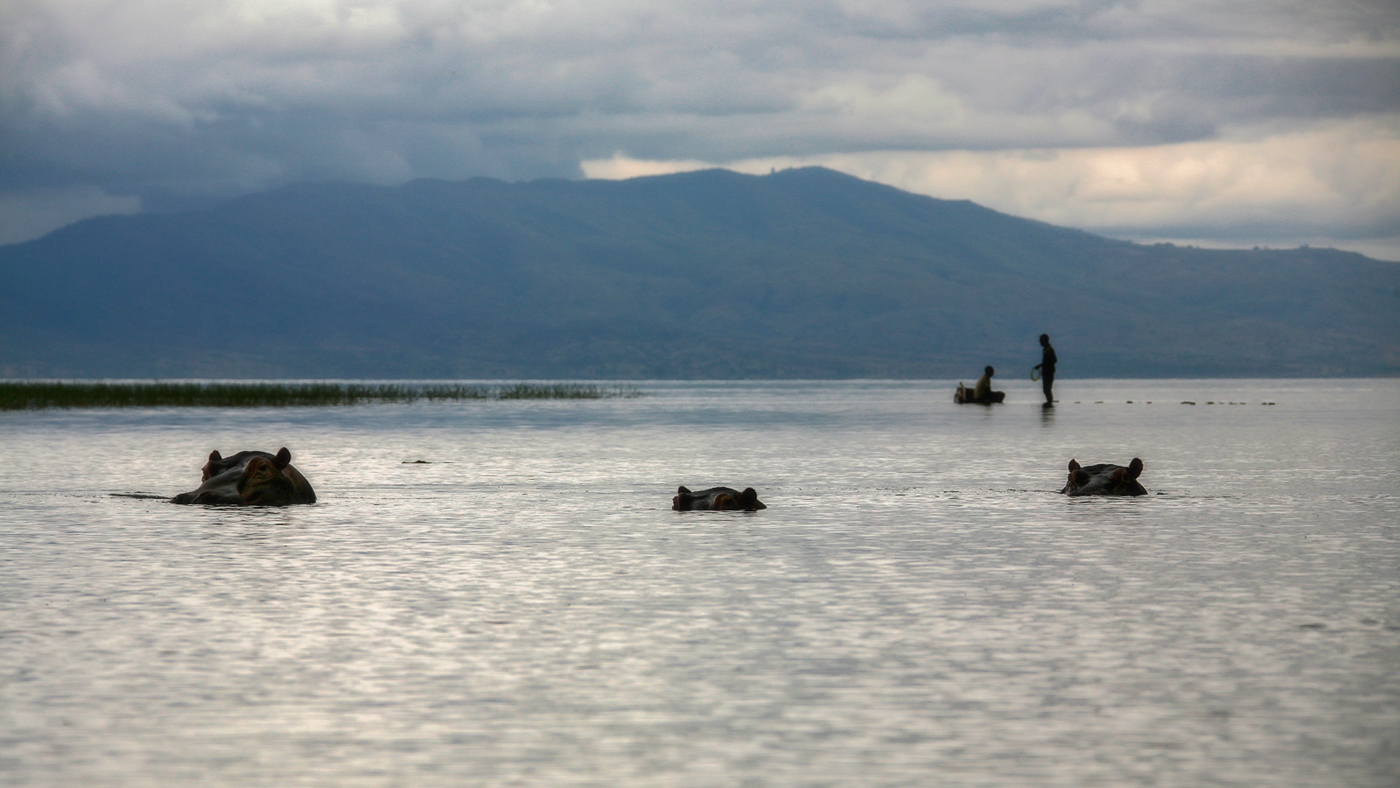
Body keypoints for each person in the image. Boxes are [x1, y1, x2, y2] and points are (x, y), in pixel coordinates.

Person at [1034, 334, 1057, 405]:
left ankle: (1049, 402)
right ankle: (1049, 402)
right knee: (1046, 389)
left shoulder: (1049, 350)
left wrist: (1042, 365)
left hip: (1049, 372)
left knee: (1047, 389)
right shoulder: (1045, 349)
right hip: (1046, 372)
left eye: (1041, 341)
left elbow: (1054, 360)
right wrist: (1041, 365)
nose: (1040, 343)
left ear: (1045, 341)